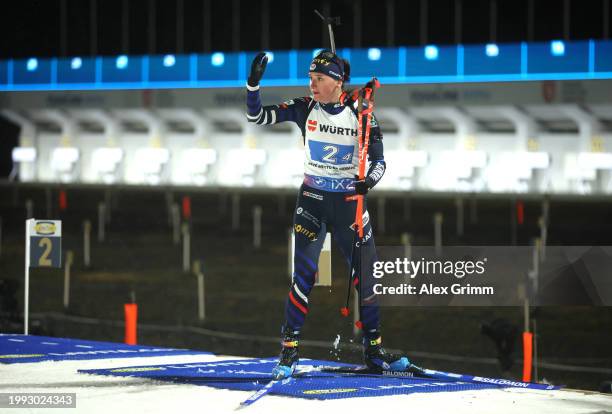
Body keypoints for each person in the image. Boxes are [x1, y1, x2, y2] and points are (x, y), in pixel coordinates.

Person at [245, 50, 411, 379]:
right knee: (305, 276)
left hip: (349, 204)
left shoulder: (361, 113)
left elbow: (379, 163)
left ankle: (374, 351)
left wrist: (367, 184)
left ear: (337, 82)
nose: (312, 84)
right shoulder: (305, 107)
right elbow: (257, 117)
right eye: (310, 78)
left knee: (368, 276)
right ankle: (289, 352)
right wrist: (253, 85)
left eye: (319, 79)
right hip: (313, 201)